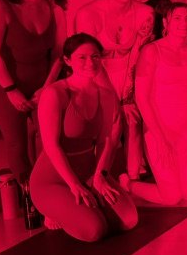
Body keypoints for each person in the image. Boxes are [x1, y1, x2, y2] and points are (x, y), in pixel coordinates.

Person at [30, 34, 138, 242]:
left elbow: (106, 141)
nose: (90, 63)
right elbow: (51, 145)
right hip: (54, 179)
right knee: (95, 230)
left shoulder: (105, 95)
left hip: (88, 172)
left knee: (128, 221)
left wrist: (100, 176)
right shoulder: (55, 93)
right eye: (82, 57)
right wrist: (73, 184)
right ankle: (52, 209)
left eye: (95, 57)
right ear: (68, 61)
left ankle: (83, 201)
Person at [0, 0, 66, 183]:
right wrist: (11, 90)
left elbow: (60, 53)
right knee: (16, 141)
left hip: (42, 81)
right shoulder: (0, 6)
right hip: (4, 84)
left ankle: (50, 188)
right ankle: (28, 195)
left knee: (52, 137)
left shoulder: (55, 8)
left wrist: (47, 87)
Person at [124, 3, 187, 205]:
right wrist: (159, 137)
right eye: (177, 18)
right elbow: (142, 97)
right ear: (166, 22)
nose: (183, 23)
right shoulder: (151, 51)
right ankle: (128, 184)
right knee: (171, 197)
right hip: (160, 129)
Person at [74, 0, 154, 180]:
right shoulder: (88, 13)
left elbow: (139, 55)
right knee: (108, 123)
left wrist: (127, 95)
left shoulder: (145, 12)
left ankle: (134, 177)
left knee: (134, 119)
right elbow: (87, 59)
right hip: (96, 76)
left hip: (132, 75)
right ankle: (96, 175)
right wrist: (112, 97)